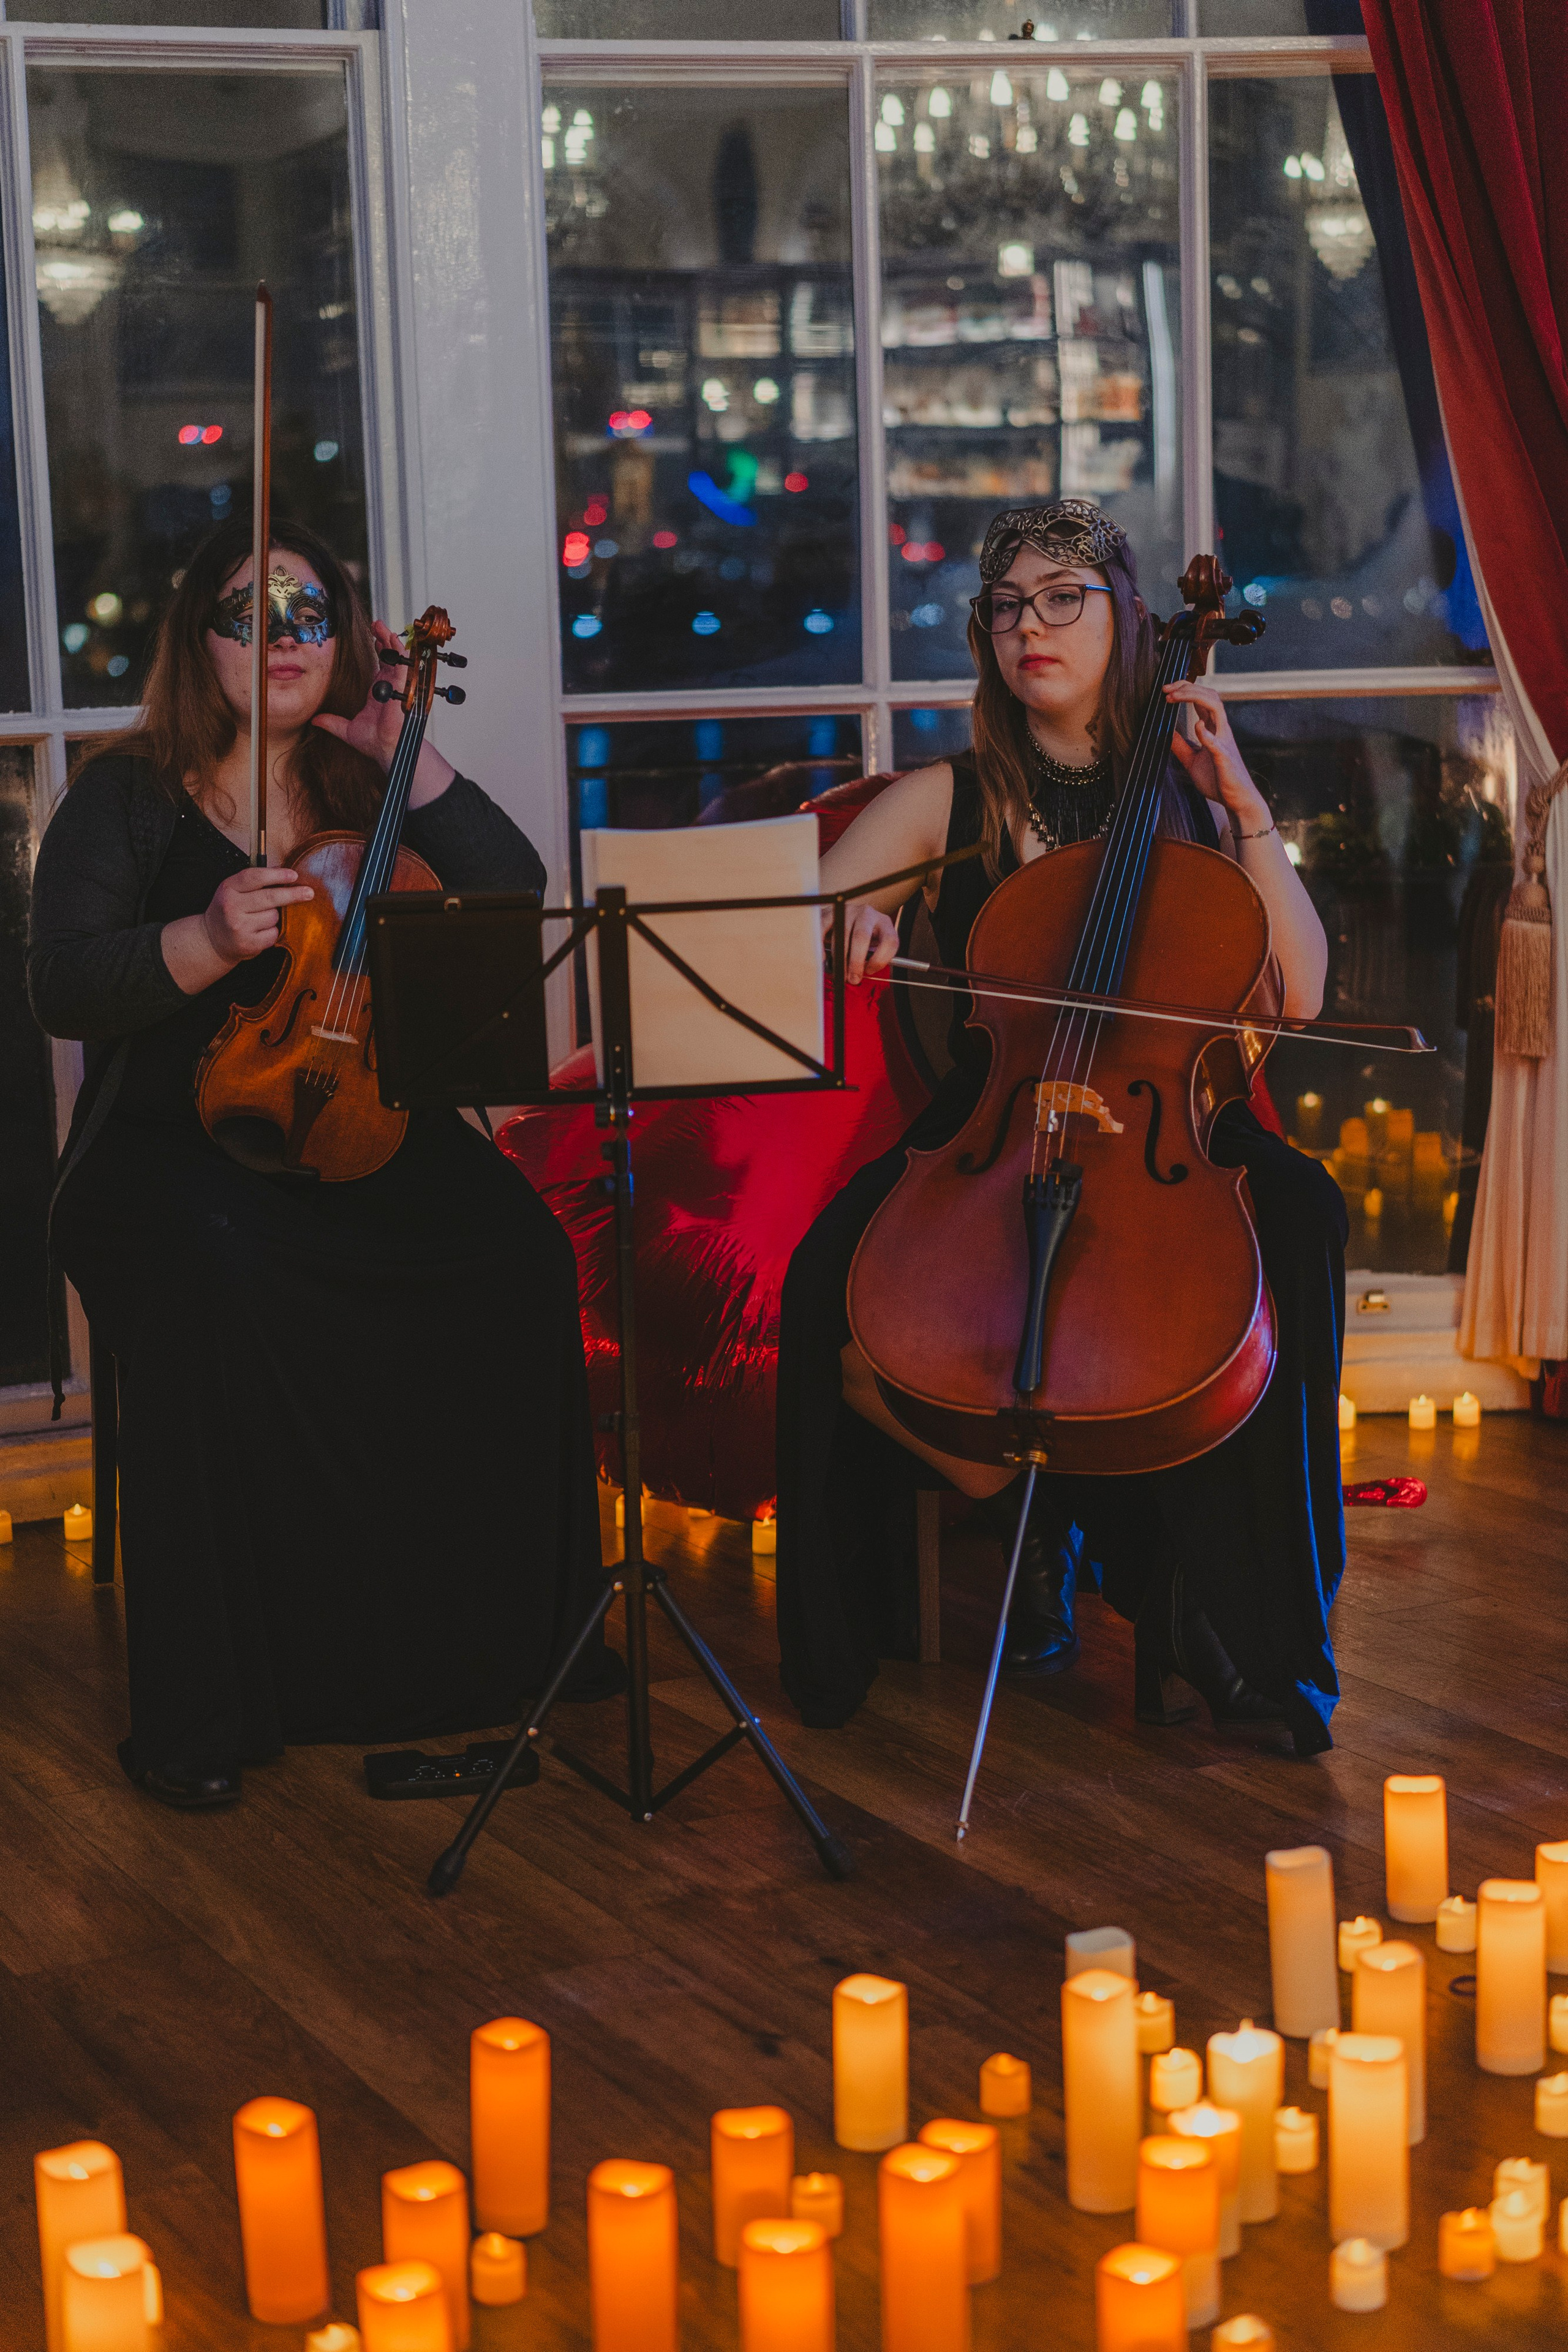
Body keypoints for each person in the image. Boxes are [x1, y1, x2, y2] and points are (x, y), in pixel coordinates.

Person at [29, 517, 619, 1809]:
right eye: (253, 612)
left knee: (514, 1250)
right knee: (223, 1271)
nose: (286, 637)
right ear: (203, 642)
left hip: (357, 1125)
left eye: (311, 614)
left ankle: (503, 1640)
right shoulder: (130, 793)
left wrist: (416, 756)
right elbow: (63, 984)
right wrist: (197, 935)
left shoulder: (365, 784)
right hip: (166, 1149)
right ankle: (226, 1696)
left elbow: (505, 892)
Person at [775, 499, 1346, 1756]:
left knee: (1300, 1214)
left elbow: (1295, 993)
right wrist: (845, 929)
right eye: (1003, 605)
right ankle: (1032, 1505)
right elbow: (780, 930)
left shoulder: (1195, 796)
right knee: (828, 1294)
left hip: (1167, 1126)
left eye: (1059, 598)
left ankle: (1232, 1619)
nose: (1025, 626)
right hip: (989, 1124)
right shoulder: (949, 796)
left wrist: (1241, 802)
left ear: (1129, 619)